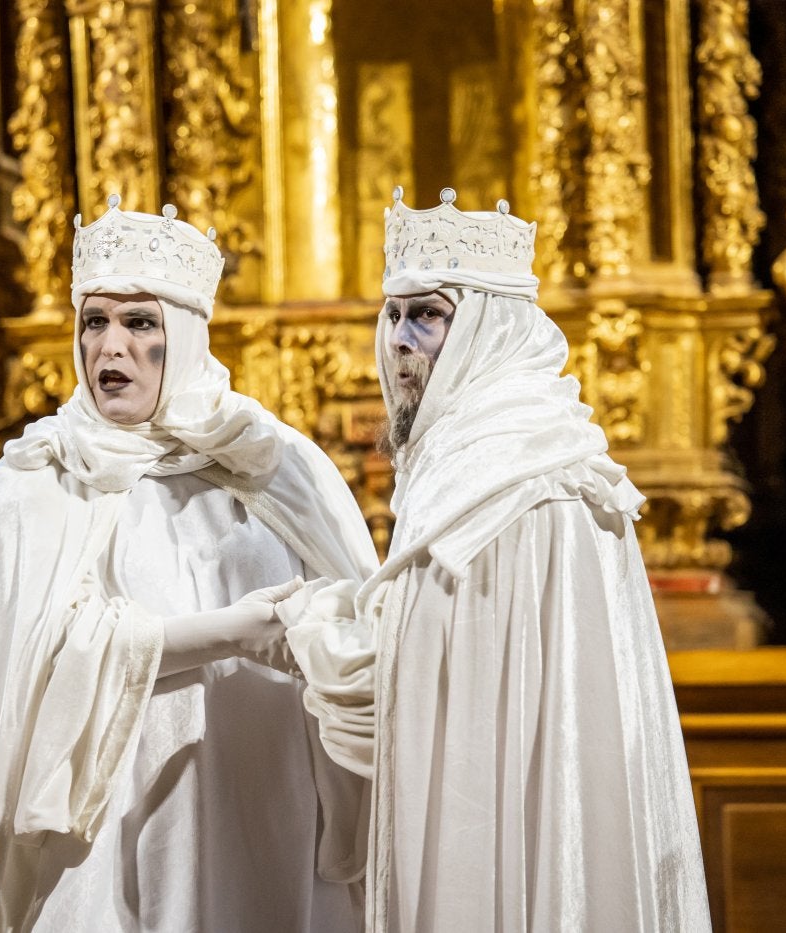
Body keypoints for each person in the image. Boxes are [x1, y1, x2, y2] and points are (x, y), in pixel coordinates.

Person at [0, 196, 376, 932]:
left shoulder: (274, 462)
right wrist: (234, 632)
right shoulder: (33, 482)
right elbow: (43, 662)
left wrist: (325, 634)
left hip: (264, 803)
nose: (110, 348)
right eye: (95, 322)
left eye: (139, 323)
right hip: (105, 821)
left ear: (182, 336)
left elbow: (359, 620)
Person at [282, 188, 711, 932]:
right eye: (393, 314)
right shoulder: (510, 448)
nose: (401, 341)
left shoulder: (505, 469)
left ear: (490, 327)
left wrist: (310, 625)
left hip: (500, 819)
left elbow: (419, 680)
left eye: (429, 315)